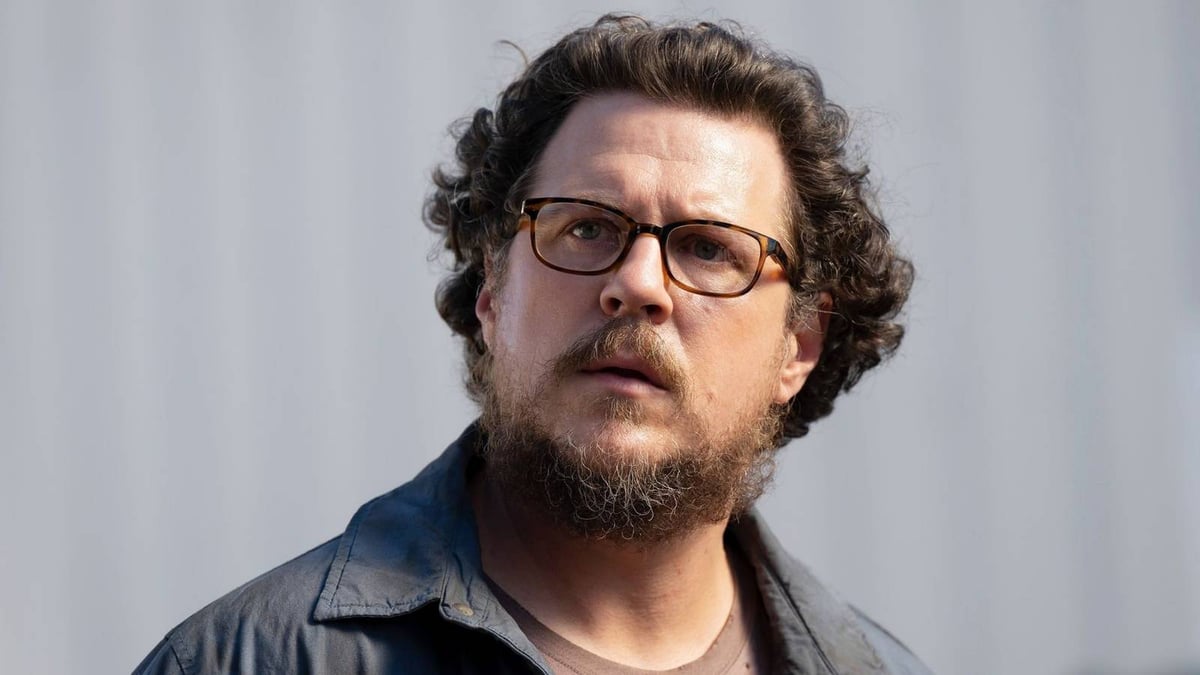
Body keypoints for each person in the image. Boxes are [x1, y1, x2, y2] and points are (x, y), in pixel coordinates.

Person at [136, 14, 928, 674]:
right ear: (492, 291)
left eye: (709, 248)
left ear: (799, 345)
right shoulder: (246, 661)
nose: (638, 283)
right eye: (586, 228)